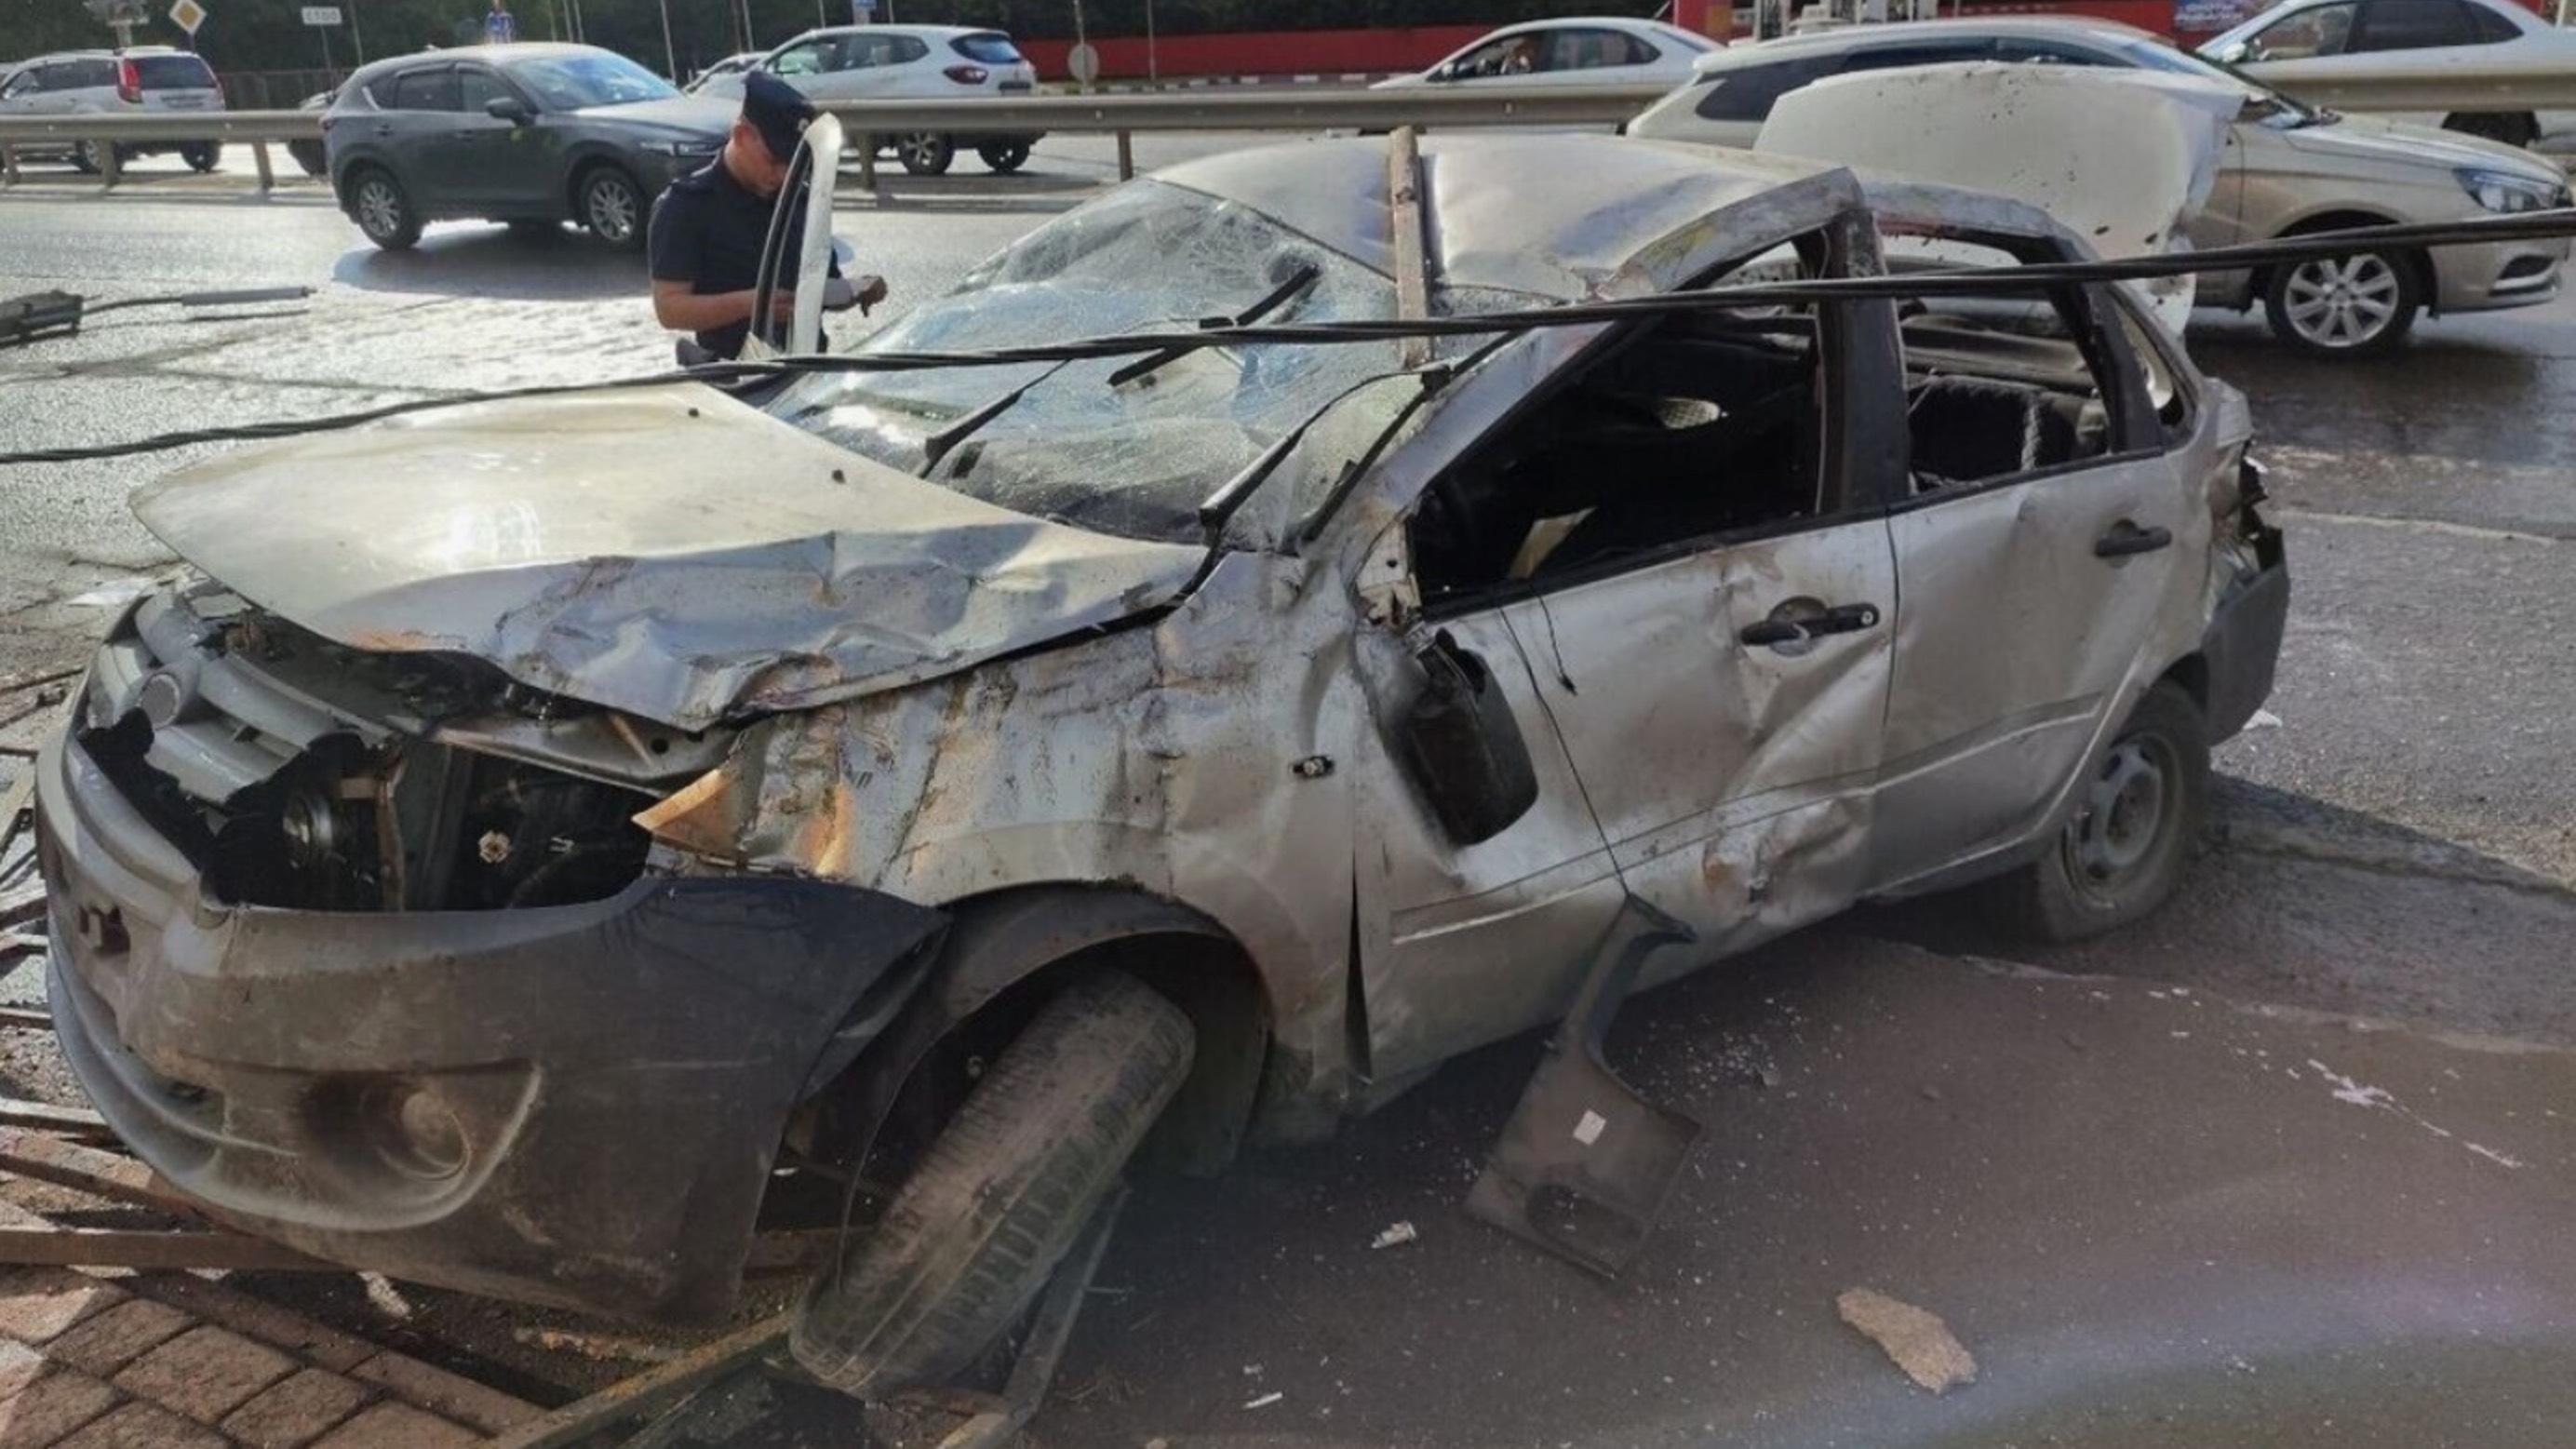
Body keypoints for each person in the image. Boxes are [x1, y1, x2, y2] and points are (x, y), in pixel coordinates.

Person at [647, 73, 885, 362]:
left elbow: (820, 286)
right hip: (735, 373)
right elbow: (670, 309)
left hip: (808, 365)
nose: (783, 175)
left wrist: (857, 290)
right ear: (741, 135)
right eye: (773, 160)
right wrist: (751, 304)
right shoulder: (686, 205)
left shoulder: (799, 199)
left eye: (791, 163)